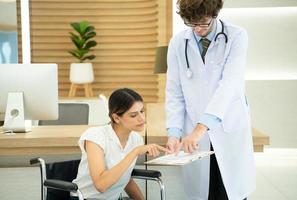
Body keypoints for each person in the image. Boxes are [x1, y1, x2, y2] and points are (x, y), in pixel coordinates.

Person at [165, 0, 256, 200]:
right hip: (195, 136)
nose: (197, 29)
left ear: (215, 14)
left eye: (203, 23)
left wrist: (199, 129)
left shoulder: (236, 36)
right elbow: (174, 91)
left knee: (229, 191)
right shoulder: (178, 43)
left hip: (228, 126)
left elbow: (229, 86)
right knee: (203, 193)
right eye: (191, 23)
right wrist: (174, 132)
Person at [72, 88, 168, 200]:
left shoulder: (136, 139)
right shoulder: (95, 136)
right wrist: (135, 152)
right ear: (116, 118)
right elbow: (101, 185)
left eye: (142, 111)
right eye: (133, 115)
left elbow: (124, 178)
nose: (142, 118)